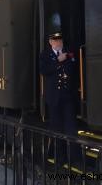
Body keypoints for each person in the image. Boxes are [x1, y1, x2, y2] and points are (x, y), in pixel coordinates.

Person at [39, 32, 79, 166]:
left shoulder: (69, 53)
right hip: (54, 98)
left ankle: (74, 159)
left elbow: (74, 71)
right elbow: (44, 70)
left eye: (60, 39)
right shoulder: (45, 55)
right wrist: (58, 60)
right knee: (57, 129)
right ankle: (59, 158)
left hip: (68, 97)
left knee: (71, 128)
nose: (58, 42)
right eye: (55, 40)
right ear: (50, 42)